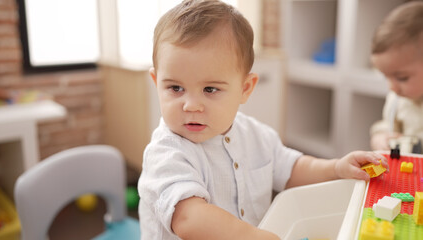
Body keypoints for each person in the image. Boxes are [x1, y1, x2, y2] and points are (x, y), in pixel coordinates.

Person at [138, 1, 388, 239]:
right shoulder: (166, 154)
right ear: (156, 82)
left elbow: (291, 168)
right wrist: (254, 237)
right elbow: (189, 219)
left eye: (210, 90)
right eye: (175, 88)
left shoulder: (255, 134)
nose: (191, 105)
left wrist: (335, 168)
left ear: (246, 88)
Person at [370, 1, 423, 152]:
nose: (391, 87)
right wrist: (380, 136)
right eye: (385, 77)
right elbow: (389, 124)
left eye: (402, 78)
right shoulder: (398, 99)